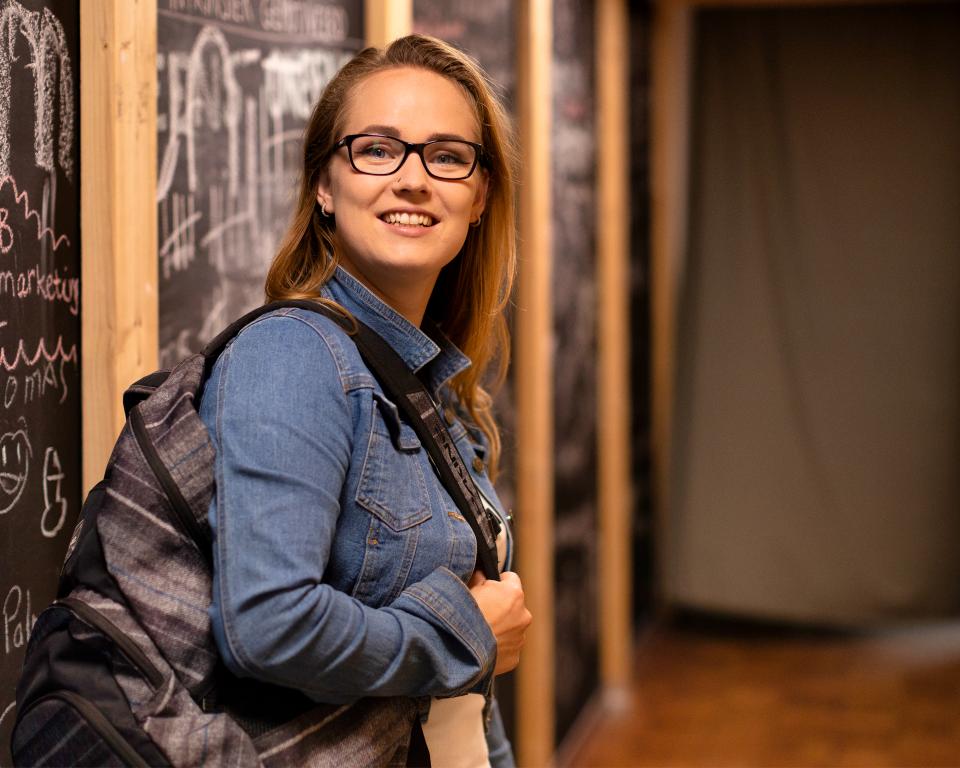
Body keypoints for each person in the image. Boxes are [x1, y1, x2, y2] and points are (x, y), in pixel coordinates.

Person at [198, 34, 531, 767]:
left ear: (478, 197)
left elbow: (465, 704)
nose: (414, 179)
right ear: (325, 183)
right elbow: (268, 624)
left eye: (447, 156)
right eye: (378, 149)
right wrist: (464, 634)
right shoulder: (293, 356)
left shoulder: (434, 382)